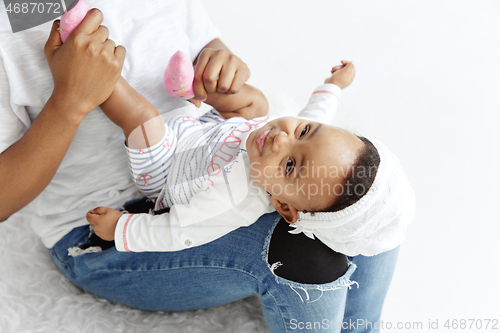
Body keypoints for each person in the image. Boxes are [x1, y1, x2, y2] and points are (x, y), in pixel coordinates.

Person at [0, 1, 403, 331]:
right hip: (107, 229)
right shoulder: (11, 27)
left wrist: (227, 74)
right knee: (305, 255)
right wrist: (69, 102)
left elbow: (218, 76)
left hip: (199, 160)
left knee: (369, 195)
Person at [86, 50, 414, 258]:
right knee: (258, 104)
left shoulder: (233, 201)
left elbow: (178, 231)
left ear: (284, 206)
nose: (281, 139)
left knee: (145, 120)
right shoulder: (295, 141)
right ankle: (190, 89)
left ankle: (95, 68)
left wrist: (121, 229)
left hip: (169, 166)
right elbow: (318, 113)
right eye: (303, 132)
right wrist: (334, 85)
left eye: (289, 165)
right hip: (213, 134)